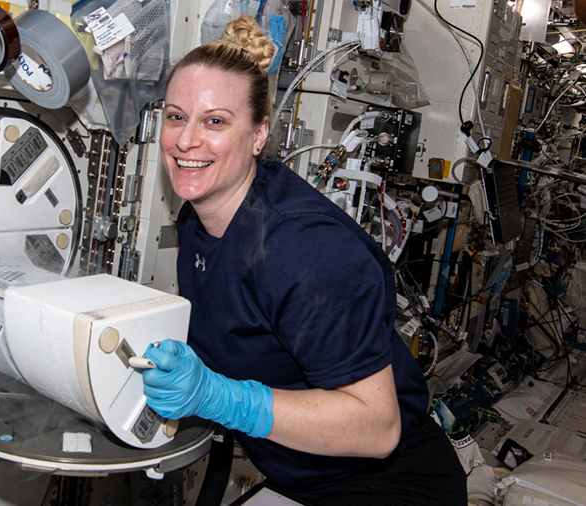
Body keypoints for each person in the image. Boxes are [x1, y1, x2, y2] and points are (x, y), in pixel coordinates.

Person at [141, 15, 467, 505]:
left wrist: (217, 397)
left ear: (258, 135)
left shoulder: (304, 250)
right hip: (303, 477)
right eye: (175, 115)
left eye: (215, 121)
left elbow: (378, 428)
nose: (186, 141)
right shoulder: (198, 220)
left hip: (389, 486)